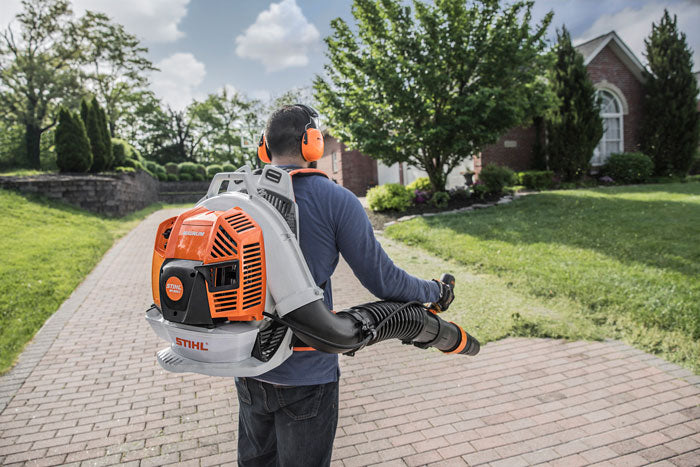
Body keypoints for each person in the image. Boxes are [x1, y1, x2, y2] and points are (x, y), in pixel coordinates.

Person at [235, 104, 453, 467]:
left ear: (264, 147)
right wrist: (435, 293)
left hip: (247, 365)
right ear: (312, 143)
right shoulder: (335, 199)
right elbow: (384, 281)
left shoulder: (240, 197)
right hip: (308, 371)